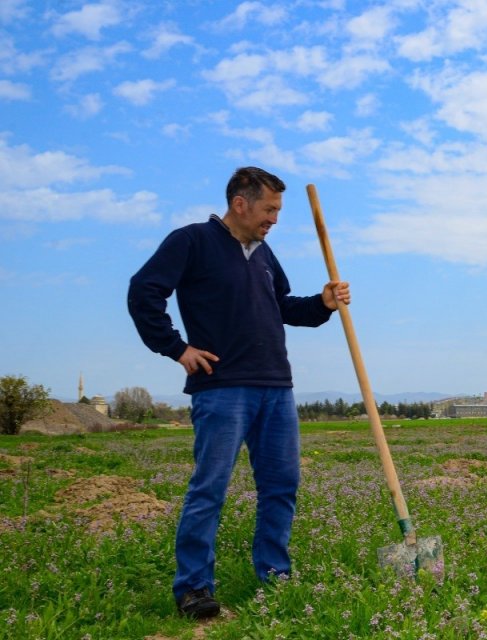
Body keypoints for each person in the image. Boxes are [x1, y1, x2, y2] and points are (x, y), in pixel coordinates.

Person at [127, 167, 350, 620]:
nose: (274, 219)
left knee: (281, 486)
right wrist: (176, 348)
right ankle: (193, 587)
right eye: (269, 209)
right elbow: (143, 291)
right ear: (240, 203)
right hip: (222, 389)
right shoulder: (191, 241)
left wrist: (322, 303)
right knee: (209, 488)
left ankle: (274, 574)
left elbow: (284, 308)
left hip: (276, 387)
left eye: (279, 210)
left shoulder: (265, 255)